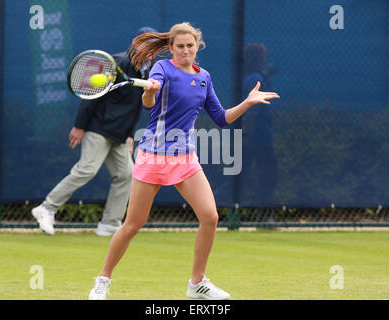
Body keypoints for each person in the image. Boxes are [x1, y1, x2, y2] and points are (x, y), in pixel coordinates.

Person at [88, 22, 279, 300]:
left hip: (185, 159)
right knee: (132, 225)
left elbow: (221, 118)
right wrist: (150, 91)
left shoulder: (204, 78)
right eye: (180, 46)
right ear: (171, 48)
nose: (186, 50)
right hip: (153, 156)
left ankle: (197, 283)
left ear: (197, 46)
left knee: (210, 217)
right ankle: (102, 280)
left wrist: (248, 102)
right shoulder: (162, 69)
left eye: (190, 45)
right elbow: (149, 104)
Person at [31, 27, 157, 237]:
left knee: (127, 174)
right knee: (87, 169)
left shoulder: (148, 69)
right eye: (146, 44)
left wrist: (129, 135)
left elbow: (134, 105)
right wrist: (80, 126)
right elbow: (92, 93)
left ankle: (109, 223)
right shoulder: (117, 63)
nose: (150, 50)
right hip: (98, 127)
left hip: (120, 134)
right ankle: (47, 208)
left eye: (153, 46)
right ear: (136, 44)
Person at [241, 43, 278, 204]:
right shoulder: (255, 79)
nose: (264, 59)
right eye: (262, 56)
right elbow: (251, 110)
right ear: (258, 59)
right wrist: (247, 136)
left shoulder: (255, 77)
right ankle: (262, 213)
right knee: (268, 174)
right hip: (258, 138)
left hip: (257, 137)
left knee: (242, 175)